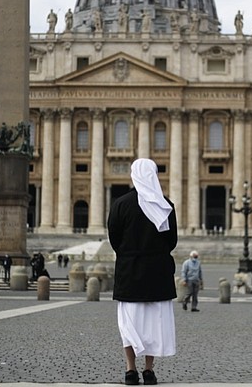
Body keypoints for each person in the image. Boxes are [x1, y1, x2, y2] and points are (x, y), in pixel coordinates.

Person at [108, 158, 177, 386]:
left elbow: (114, 238)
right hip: (157, 274)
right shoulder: (165, 205)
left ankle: (130, 370)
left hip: (130, 273)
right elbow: (172, 241)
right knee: (154, 326)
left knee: (129, 325)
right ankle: (148, 370)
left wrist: (128, 254)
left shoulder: (121, 204)